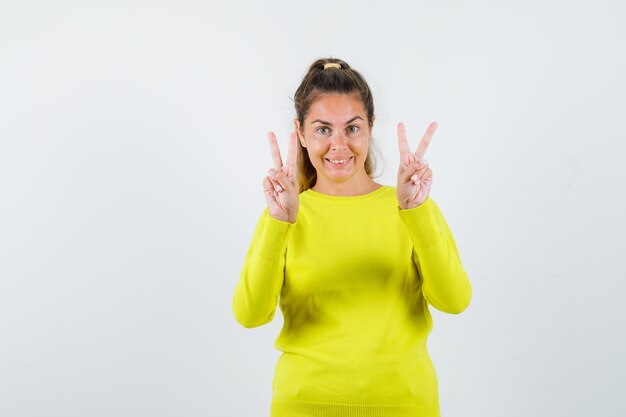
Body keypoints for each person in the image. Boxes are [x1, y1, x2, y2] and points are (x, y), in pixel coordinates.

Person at [232, 58, 472, 417]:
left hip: (405, 405)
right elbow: (250, 314)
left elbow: (455, 300)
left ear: (371, 127)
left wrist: (415, 214)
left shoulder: (411, 206)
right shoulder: (284, 213)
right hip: (304, 405)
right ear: (300, 133)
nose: (339, 146)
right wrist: (278, 223)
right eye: (323, 129)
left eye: (352, 128)